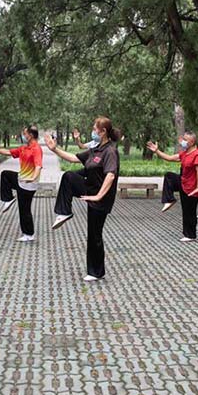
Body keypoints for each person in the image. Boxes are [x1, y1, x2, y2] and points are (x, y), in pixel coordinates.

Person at [46, 117, 120, 282]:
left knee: (95, 233)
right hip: (90, 190)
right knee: (69, 176)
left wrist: (99, 196)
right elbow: (74, 158)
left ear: (103, 132)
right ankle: (64, 212)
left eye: (95, 128)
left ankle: (96, 272)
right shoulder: (96, 149)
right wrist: (54, 149)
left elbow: (110, 175)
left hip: (101, 197)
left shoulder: (110, 151)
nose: (93, 131)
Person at [146, 132, 198, 242]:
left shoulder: (197, 155)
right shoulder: (184, 154)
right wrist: (157, 151)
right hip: (183, 183)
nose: (183, 142)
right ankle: (169, 199)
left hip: (192, 188)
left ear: (192, 142)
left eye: (185, 140)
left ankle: (190, 235)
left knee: (189, 211)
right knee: (169, 176)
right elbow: (169, 158)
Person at [0, 125, 43, 242]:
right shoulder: (23, 148)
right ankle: (8, 198)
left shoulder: (36, 149)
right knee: (5, 174)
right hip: (20, 179)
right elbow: (8, 152)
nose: (23, 136)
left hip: (29, 184)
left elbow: (38, 165)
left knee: (24, 209)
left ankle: (29, 234)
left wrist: (33, 178)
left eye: (25, 134)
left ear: (31, 135)